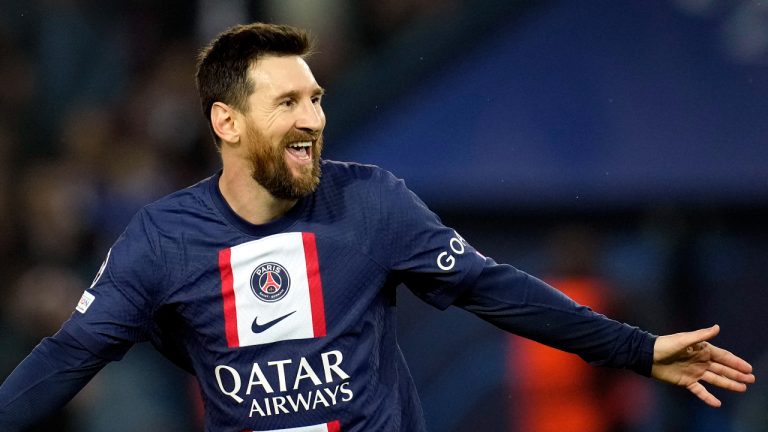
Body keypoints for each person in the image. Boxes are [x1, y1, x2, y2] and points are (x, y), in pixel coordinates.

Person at [0, 22, 756, 432]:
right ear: (226, 122)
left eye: (318, 99)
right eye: (288, 104)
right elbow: (70, 355)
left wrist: (635, 349)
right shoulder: (164, 237)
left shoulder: (373, 205)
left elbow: (493, 289)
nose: (314, 120)